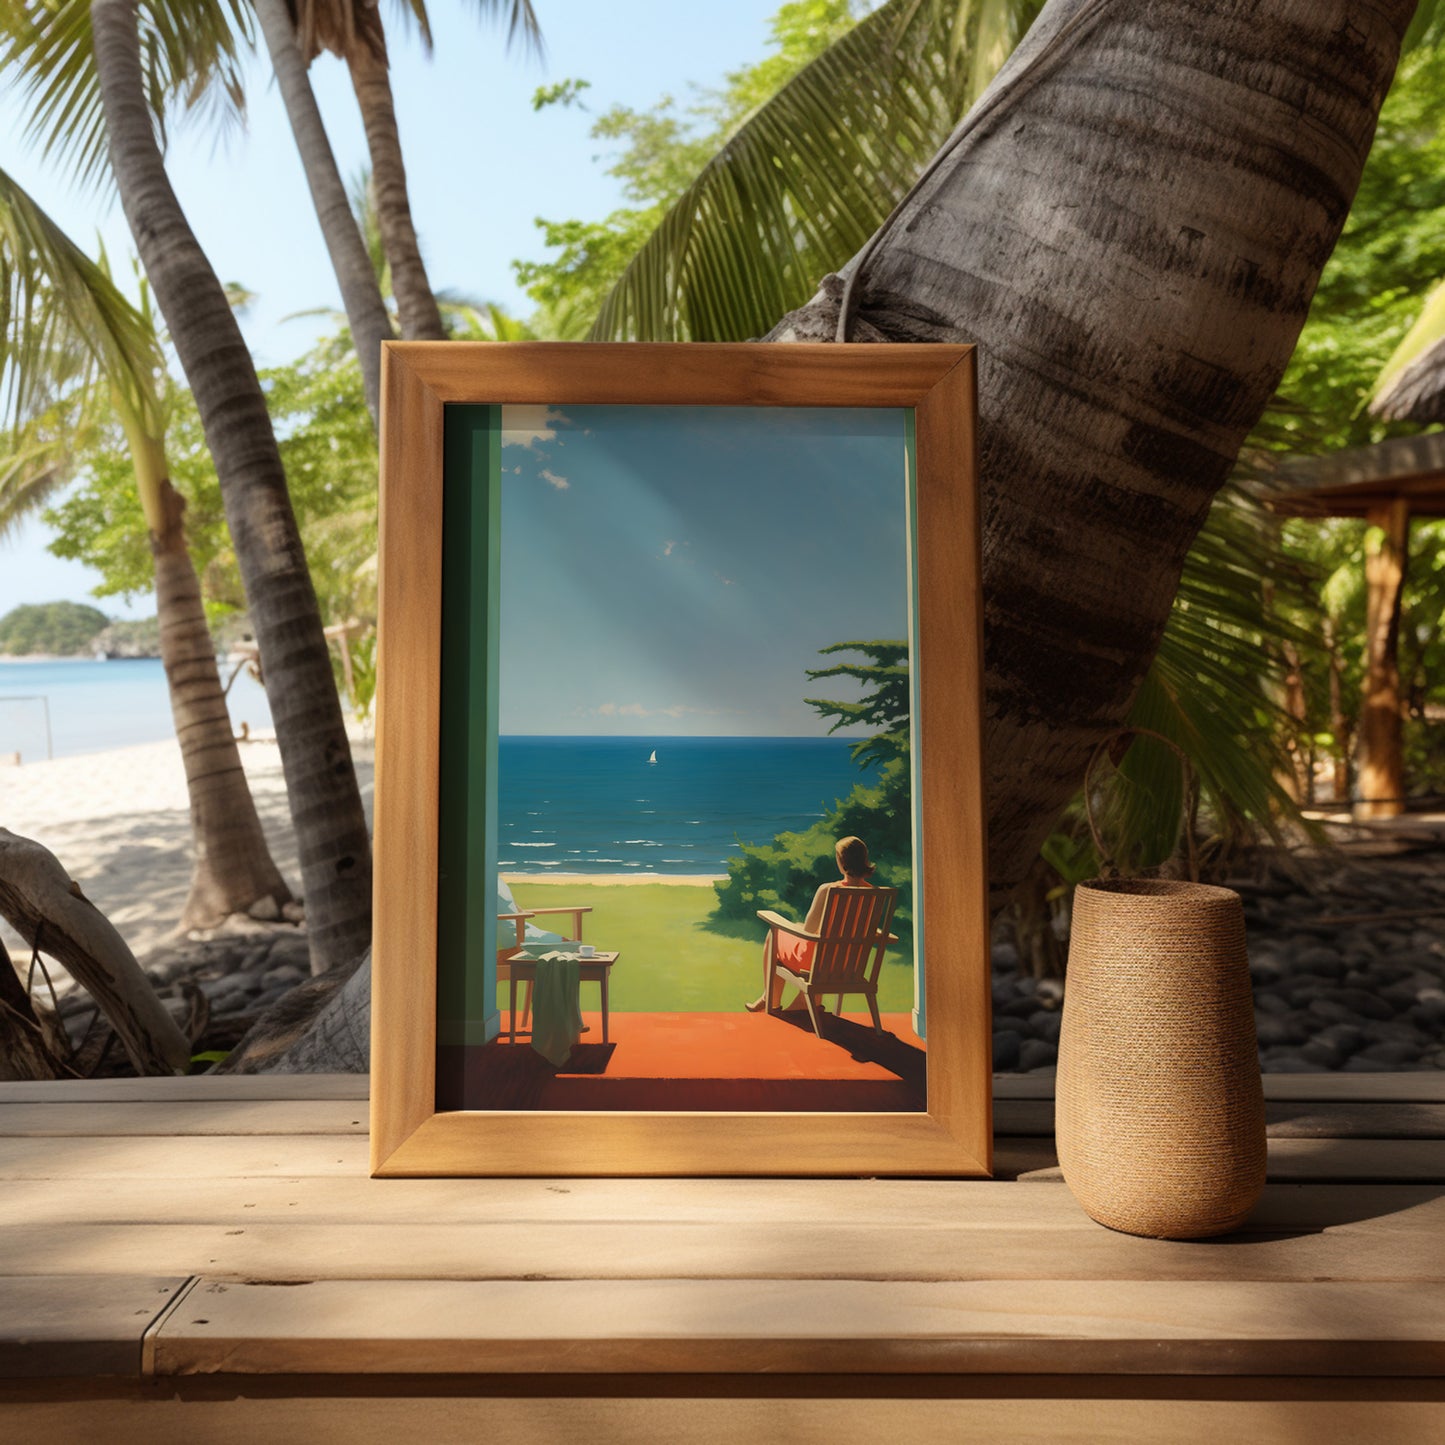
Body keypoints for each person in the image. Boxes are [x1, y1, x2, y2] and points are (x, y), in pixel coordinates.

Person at [744, 835, 877, 1013]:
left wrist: (797, 926)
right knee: (808, 942)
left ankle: (771, 1000)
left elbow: (809, 930)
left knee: (773, 934)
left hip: (817, 964)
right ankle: (805, 1002)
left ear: (842, 861)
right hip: (849, 965)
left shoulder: (828, 890)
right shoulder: (872, 894)